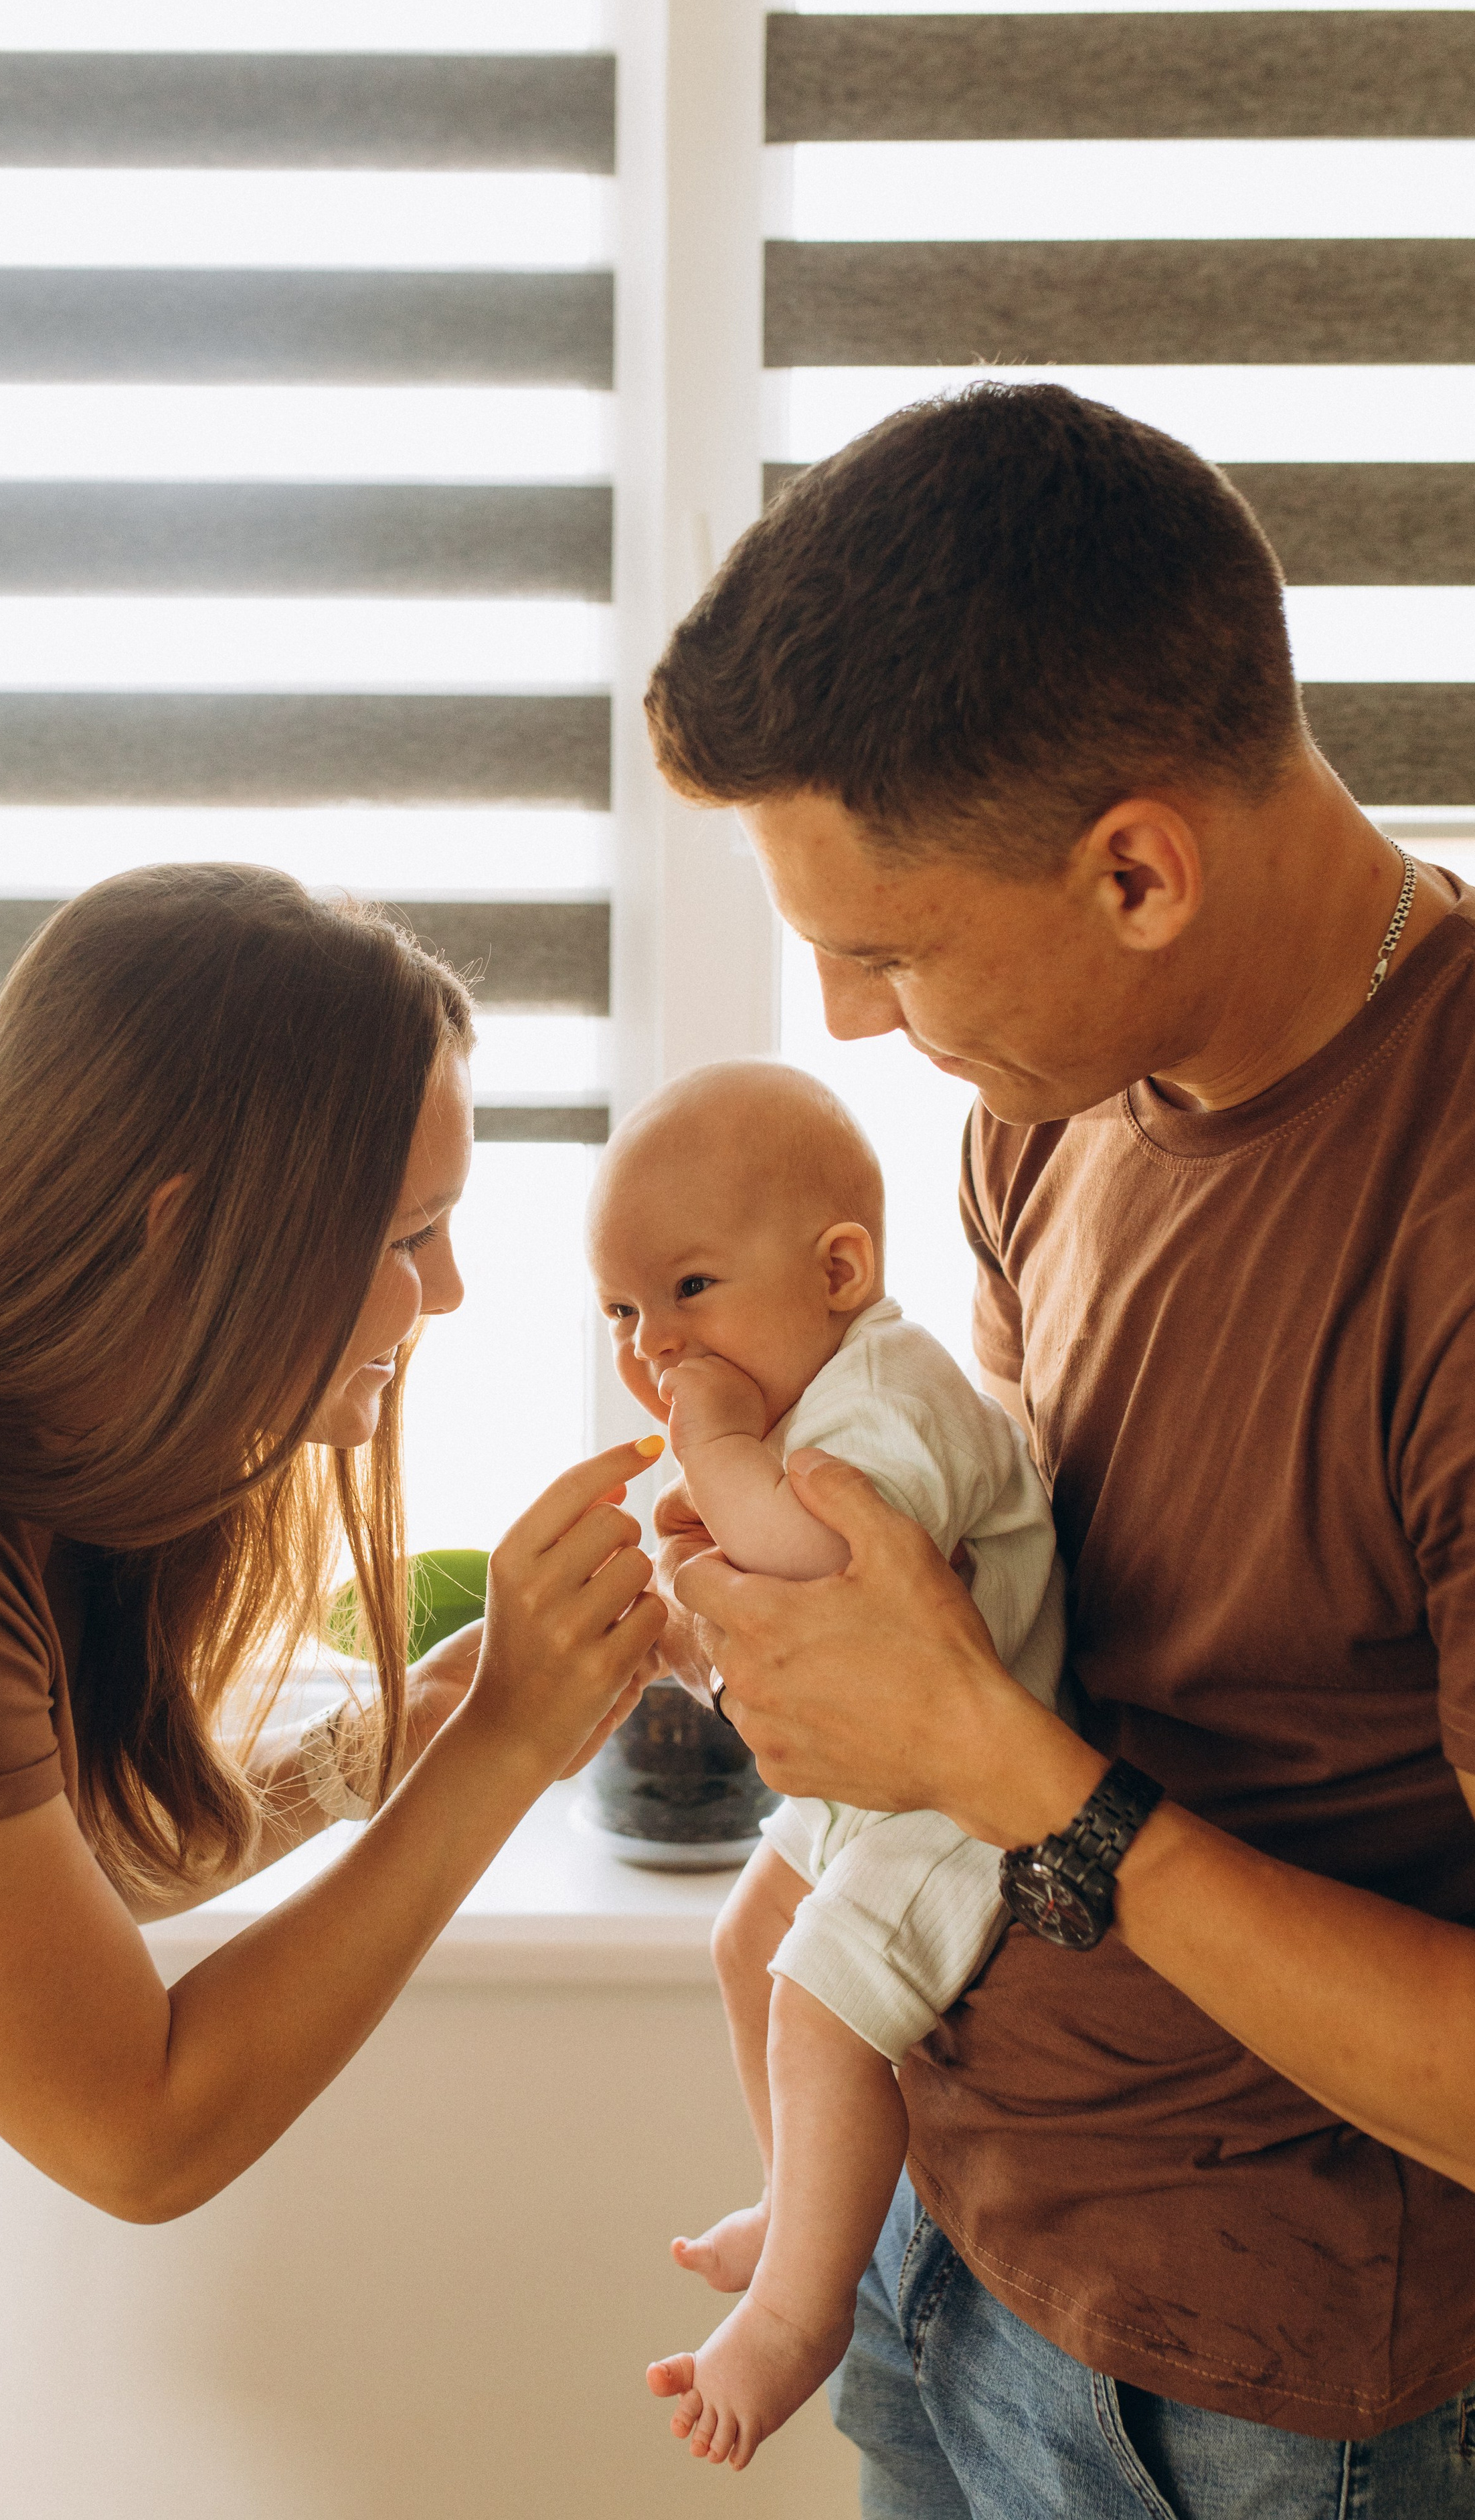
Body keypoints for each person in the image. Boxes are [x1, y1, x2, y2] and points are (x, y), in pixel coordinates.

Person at [638, 383, 1475, 2516]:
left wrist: (1002, 1771)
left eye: (885, 947)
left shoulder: (1449, 1219)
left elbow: (1010, 1747)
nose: (837, 1016)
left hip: (1266, 2408)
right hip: (945, 2247)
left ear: (1136, 868)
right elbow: (1014, 1619)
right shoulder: (1046, 1103)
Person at [0, 865, 666, 2520]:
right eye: (405, 1237)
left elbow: (70, 1868)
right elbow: (142, 2128)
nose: (450, 1292)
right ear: (181, 1226)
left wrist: (411, 1731)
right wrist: (503, 1752)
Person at [584, 1057, 1063, 2468]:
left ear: (839, 1267)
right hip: (877, 1782)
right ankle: (802, 2196)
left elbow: (828, 1576)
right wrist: (674, 1635)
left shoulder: (884, 1394)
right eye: (619, 1310)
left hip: (972, 1801)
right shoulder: (810, 1406)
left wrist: (719, 1451)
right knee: (750, 1939)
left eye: (685, 1291)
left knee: (813, 2002)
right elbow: (778, 1642)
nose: (649, 1347)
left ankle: (801, 2310)